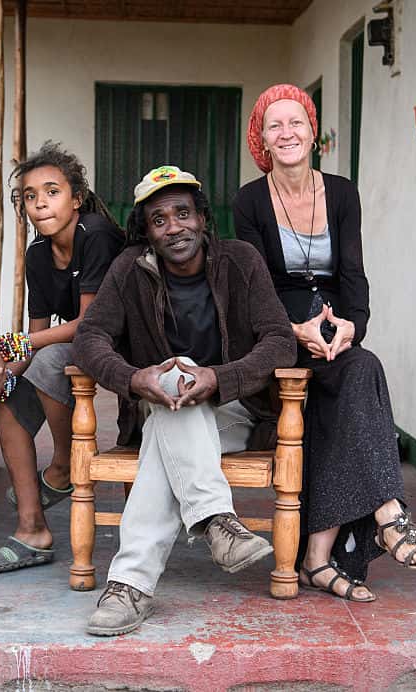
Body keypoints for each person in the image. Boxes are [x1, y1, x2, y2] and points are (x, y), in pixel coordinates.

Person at [233, 84, 416, 603]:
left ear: (313, 133)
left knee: (358, 368)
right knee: (349, 385)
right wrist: (293, 329)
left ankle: (317, 558)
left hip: (333, 330)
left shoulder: (343, 193)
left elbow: (354, 275)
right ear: (262, 140)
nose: (287, 133)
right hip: (277, 333)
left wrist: (352, 327)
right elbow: (254, 287)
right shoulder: (249, 200)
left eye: (296, 123)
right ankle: (386, 517)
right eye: (275, 126)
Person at [72, 165, 297, 636]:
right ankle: (217, 521)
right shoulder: (128, 269)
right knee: (174, 379)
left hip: (236, 413)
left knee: (175, 402)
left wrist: (218, 377)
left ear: (202, 218)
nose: (174, 227)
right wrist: (135, 379)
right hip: (161, 407)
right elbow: (89, 338)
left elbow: (280, 341)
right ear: (146, 232)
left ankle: (128, 587)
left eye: (182, 213)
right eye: (159, 220)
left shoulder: (241, 261)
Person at [0, 142, 124, 574]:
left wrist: (8, 346)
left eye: (52, 192)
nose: (40, 203)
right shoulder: (38, 254)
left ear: (76, 198)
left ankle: (63, 465)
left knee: (52, 361)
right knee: (3, 389)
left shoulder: (96, 234)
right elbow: (35, 337)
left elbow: (89, 324)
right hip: (75, 347)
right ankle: (32, 530)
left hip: (124, 344)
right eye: (30, 196)